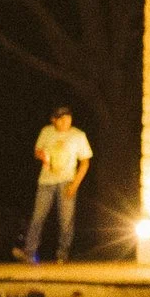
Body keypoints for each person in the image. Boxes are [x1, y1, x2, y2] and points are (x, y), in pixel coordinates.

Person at [19, 108, 92, 263]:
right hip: (46, 181)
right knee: (38, 217)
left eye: (68, 118)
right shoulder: (46, 132)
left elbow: (85, 162)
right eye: (61, 119)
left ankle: (62, 254)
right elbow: (37, 150)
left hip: (67, 181)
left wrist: (75, 184)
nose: (66, 122)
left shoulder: (78, 135)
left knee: (66, 220)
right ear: (54, 120)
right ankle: (29, 252)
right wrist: (42, 155)